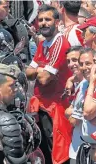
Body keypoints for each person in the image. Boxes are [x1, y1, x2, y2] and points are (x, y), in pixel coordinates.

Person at [26, 4, 72, 164]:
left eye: (48, 19)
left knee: (57, 153)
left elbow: (44, 78)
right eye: (41, 20)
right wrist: (41, 69)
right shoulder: (42, 44)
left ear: (57, 22)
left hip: (56, 107)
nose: (43, 23)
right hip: (42, 105)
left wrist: (37, 68)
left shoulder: (60, 43)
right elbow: (28, 74)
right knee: (44, 149)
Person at [65, 46, 89, 164]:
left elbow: (74, 120)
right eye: (68, 61)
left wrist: (68, 111)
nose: (71, 64)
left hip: (82, 149)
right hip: (78, 146)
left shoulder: (85, 85)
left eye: (75, 60)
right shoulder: (79, 83)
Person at [75, 48, 96, 164]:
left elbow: (87, 113)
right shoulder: (83, 84)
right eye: (81, 64)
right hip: (86, 147)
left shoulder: (92, 83)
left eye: (88, 63)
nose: (84, 67)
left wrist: (93, 82)